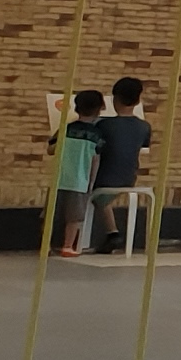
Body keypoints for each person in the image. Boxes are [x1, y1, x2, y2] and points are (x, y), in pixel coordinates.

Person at [88, 77, 152, 256]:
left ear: (114, 99)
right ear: (138, 101)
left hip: (105, 177)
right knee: (102, 197)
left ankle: (112, 233)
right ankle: (112, 234)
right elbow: (143, 146)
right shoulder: (144, 126)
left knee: (97, 196)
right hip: (129, 176)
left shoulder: (103, 124)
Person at [51, 91, 104, 256]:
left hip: (59, 178)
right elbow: (96, 159)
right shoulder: (96, 135)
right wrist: (91, 182)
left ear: (76, 108)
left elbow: (50, 149)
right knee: (74, 217)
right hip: (80, 181)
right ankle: (67, 246)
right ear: (99, 110)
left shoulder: (65, 129)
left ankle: (46, 245)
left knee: (52, 213)